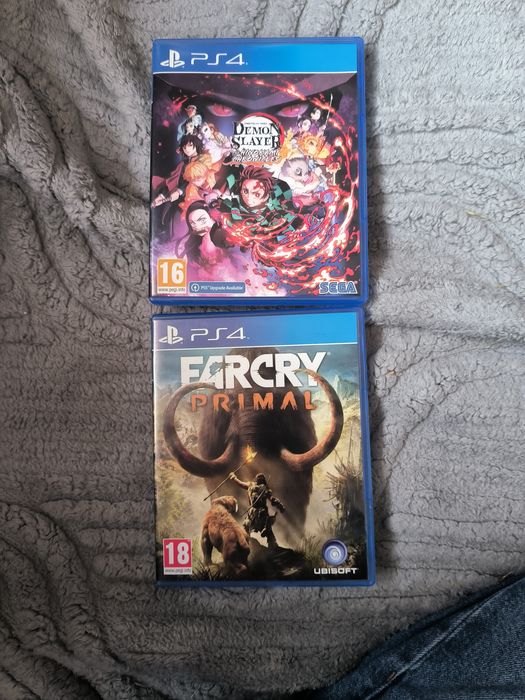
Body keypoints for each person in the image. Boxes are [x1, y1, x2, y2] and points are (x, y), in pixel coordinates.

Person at [228, 472, 285, 549]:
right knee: (247, 526)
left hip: (261, 513)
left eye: (260, 478)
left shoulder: (264, 488)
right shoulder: (252, 485)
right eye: (259, 478)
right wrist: (234, 477)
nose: (259, 479)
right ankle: (244, 544)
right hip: (253, 512)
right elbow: (240, 483)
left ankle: (272, 545)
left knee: (266, 529)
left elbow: (272, 499)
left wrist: (280, 505)